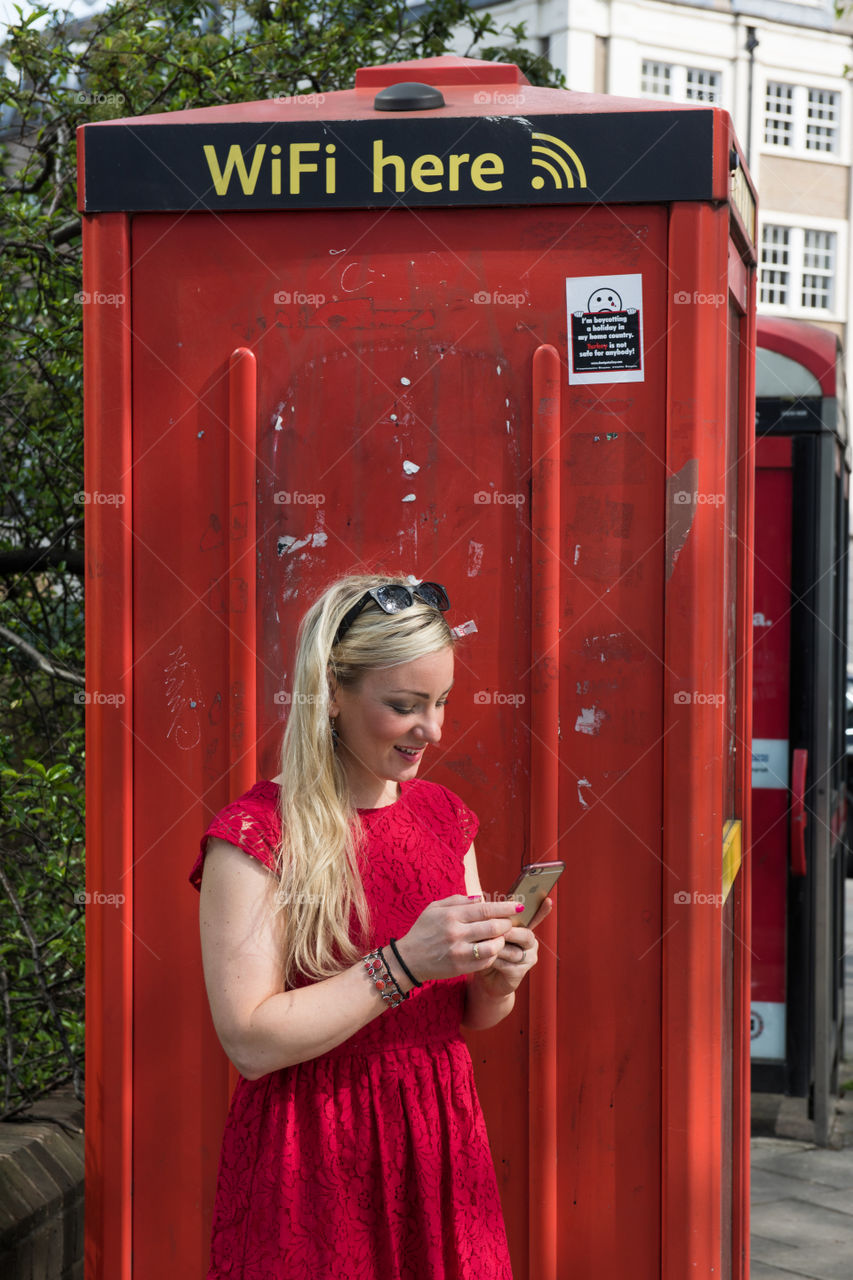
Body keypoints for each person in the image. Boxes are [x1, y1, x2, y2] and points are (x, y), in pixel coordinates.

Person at [188, 572, 552, 1279]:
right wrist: (404, 964)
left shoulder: (445, 817)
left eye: (441, 702)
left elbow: (470, 1016)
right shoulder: (255, 835)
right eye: (404, 705)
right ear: (331, 694)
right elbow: (249, 1042)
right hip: (315, 1154)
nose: (433, 729)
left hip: (440, 1142)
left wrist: (499, 977)